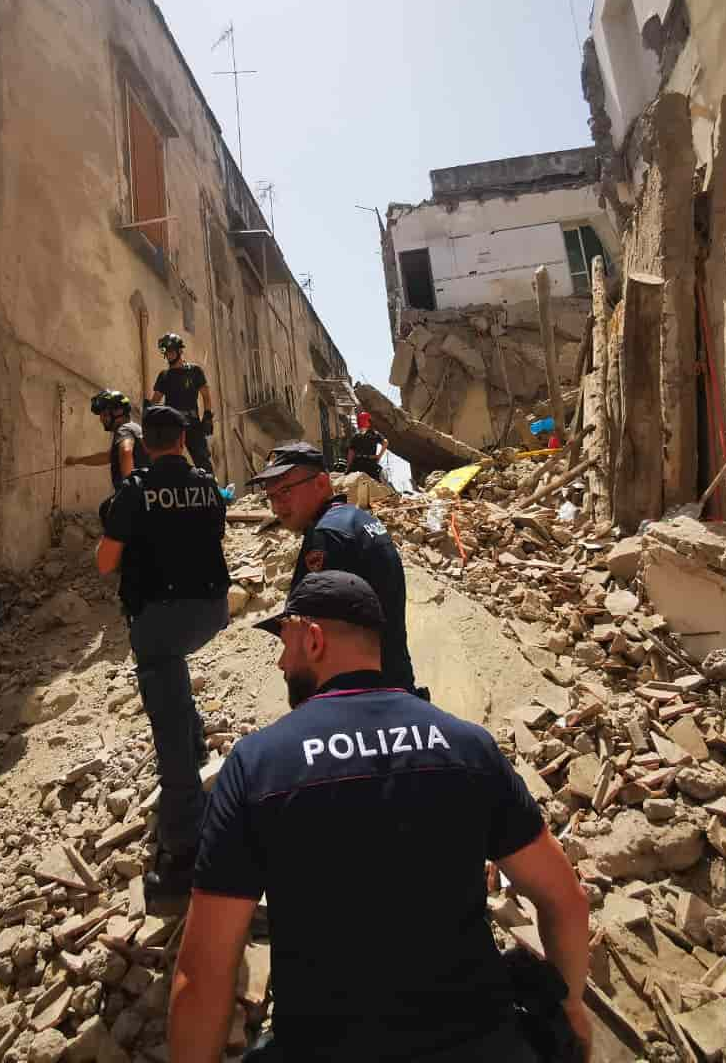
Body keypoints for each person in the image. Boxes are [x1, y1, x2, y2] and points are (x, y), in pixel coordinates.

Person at [170, 571, 591, 1063]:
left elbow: (203, 976)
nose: (283, 661)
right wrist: (571, 1008)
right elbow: (566, 900)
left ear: (314, 638)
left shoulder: (257, 766)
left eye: (285, 644)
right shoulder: (467, 747)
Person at [95, 405, 230, 910]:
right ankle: (196, 740)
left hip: (160, 620)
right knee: (175, 666)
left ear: (146, 444)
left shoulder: (135, 490)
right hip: (212, 611)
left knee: (166, 719)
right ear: (182, 439)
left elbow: (107, 562)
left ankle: (182, 856)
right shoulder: (207, 485)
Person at [248, 441, 417, 693]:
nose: (277, 506)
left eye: (285, 492)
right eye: (271, 496)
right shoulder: (357, 518)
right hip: (390, 679)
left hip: (360, 694)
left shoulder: (327, 534)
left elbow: (315, 630)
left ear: (321, 483)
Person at [63, 389, 143, 511]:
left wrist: (128, 491)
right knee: (105, 509)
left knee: (108, 512)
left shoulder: (124, 430)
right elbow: (108, 457)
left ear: (119, 411)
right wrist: (77, 460)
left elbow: (126, 451)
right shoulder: (134, 428)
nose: (101, 419)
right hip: (142, 495)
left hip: (135, 497)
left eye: (105, 414)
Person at [151, 331, 216, 473]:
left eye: (171, 351)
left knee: (203, 461)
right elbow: (155, 400)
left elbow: (205, 394)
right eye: (166, 352)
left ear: (179, 350)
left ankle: (212, 491)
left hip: (192, 422)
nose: (168, 354)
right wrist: (149, 415)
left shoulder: (195, 371)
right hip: (172, 425)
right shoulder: (164, 376)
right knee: (167, 462)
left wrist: (207, 415)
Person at [344, 411, 388, 480]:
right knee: (379, 484)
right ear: (369, 422)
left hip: (357, 464)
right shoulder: (374, 434)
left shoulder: (356, 436)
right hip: (371, 464)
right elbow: (385, 442)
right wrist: (379, 456)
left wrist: (348, 468)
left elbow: (351, 453)